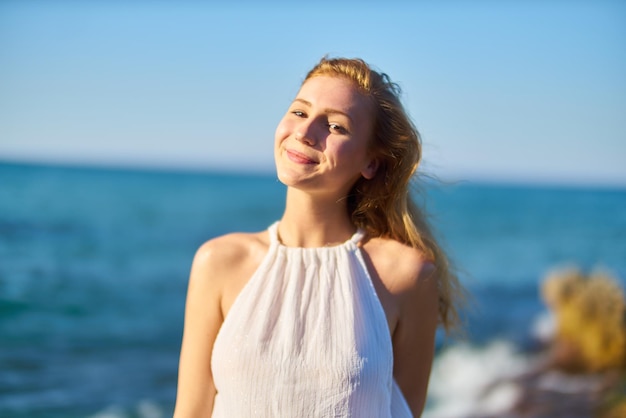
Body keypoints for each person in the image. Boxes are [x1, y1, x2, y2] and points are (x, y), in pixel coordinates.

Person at [174, 57, 463, 418]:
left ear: (370, 163)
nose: (305, 131)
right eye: (299, 112)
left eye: (336, 126)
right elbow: (190, 411)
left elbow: (405, 412)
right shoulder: (218, 262)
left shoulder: (406, 274)